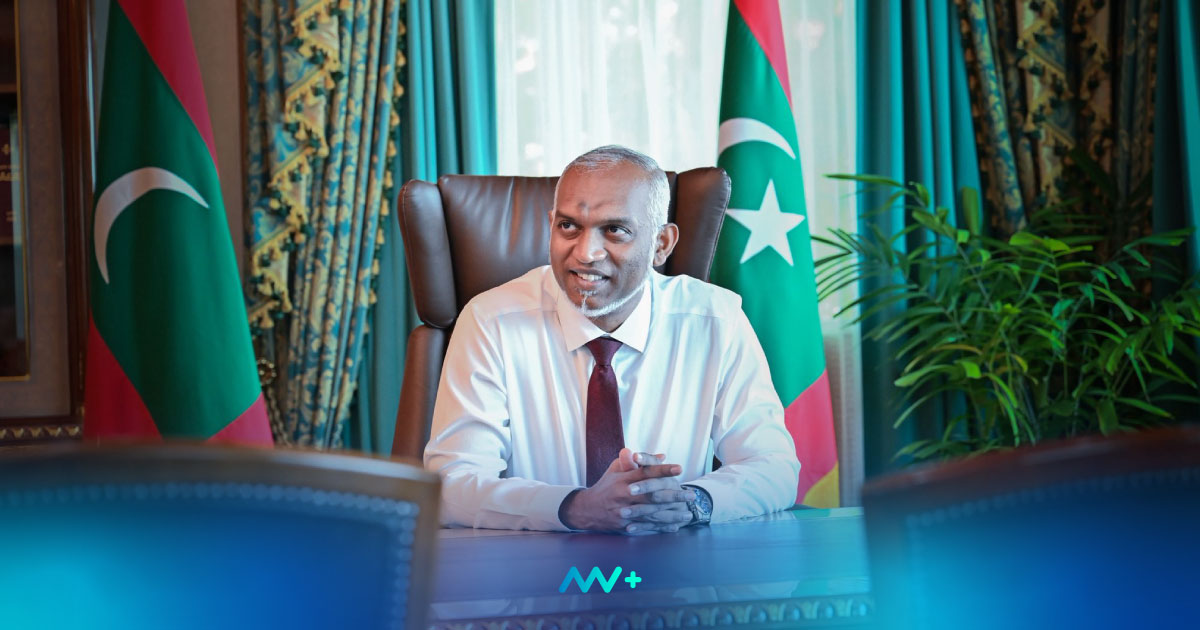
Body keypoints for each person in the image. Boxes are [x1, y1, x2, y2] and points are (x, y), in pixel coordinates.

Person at [424, 145, 800, 534]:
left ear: (661, 244)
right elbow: (451, 484)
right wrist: (574, 507)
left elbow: (774, 467)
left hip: (671, 560)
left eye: (614, 230)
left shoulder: (716, 320)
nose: (586, 253)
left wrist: (691, 502)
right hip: (534, 560)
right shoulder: (491, 320)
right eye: (568, 226)